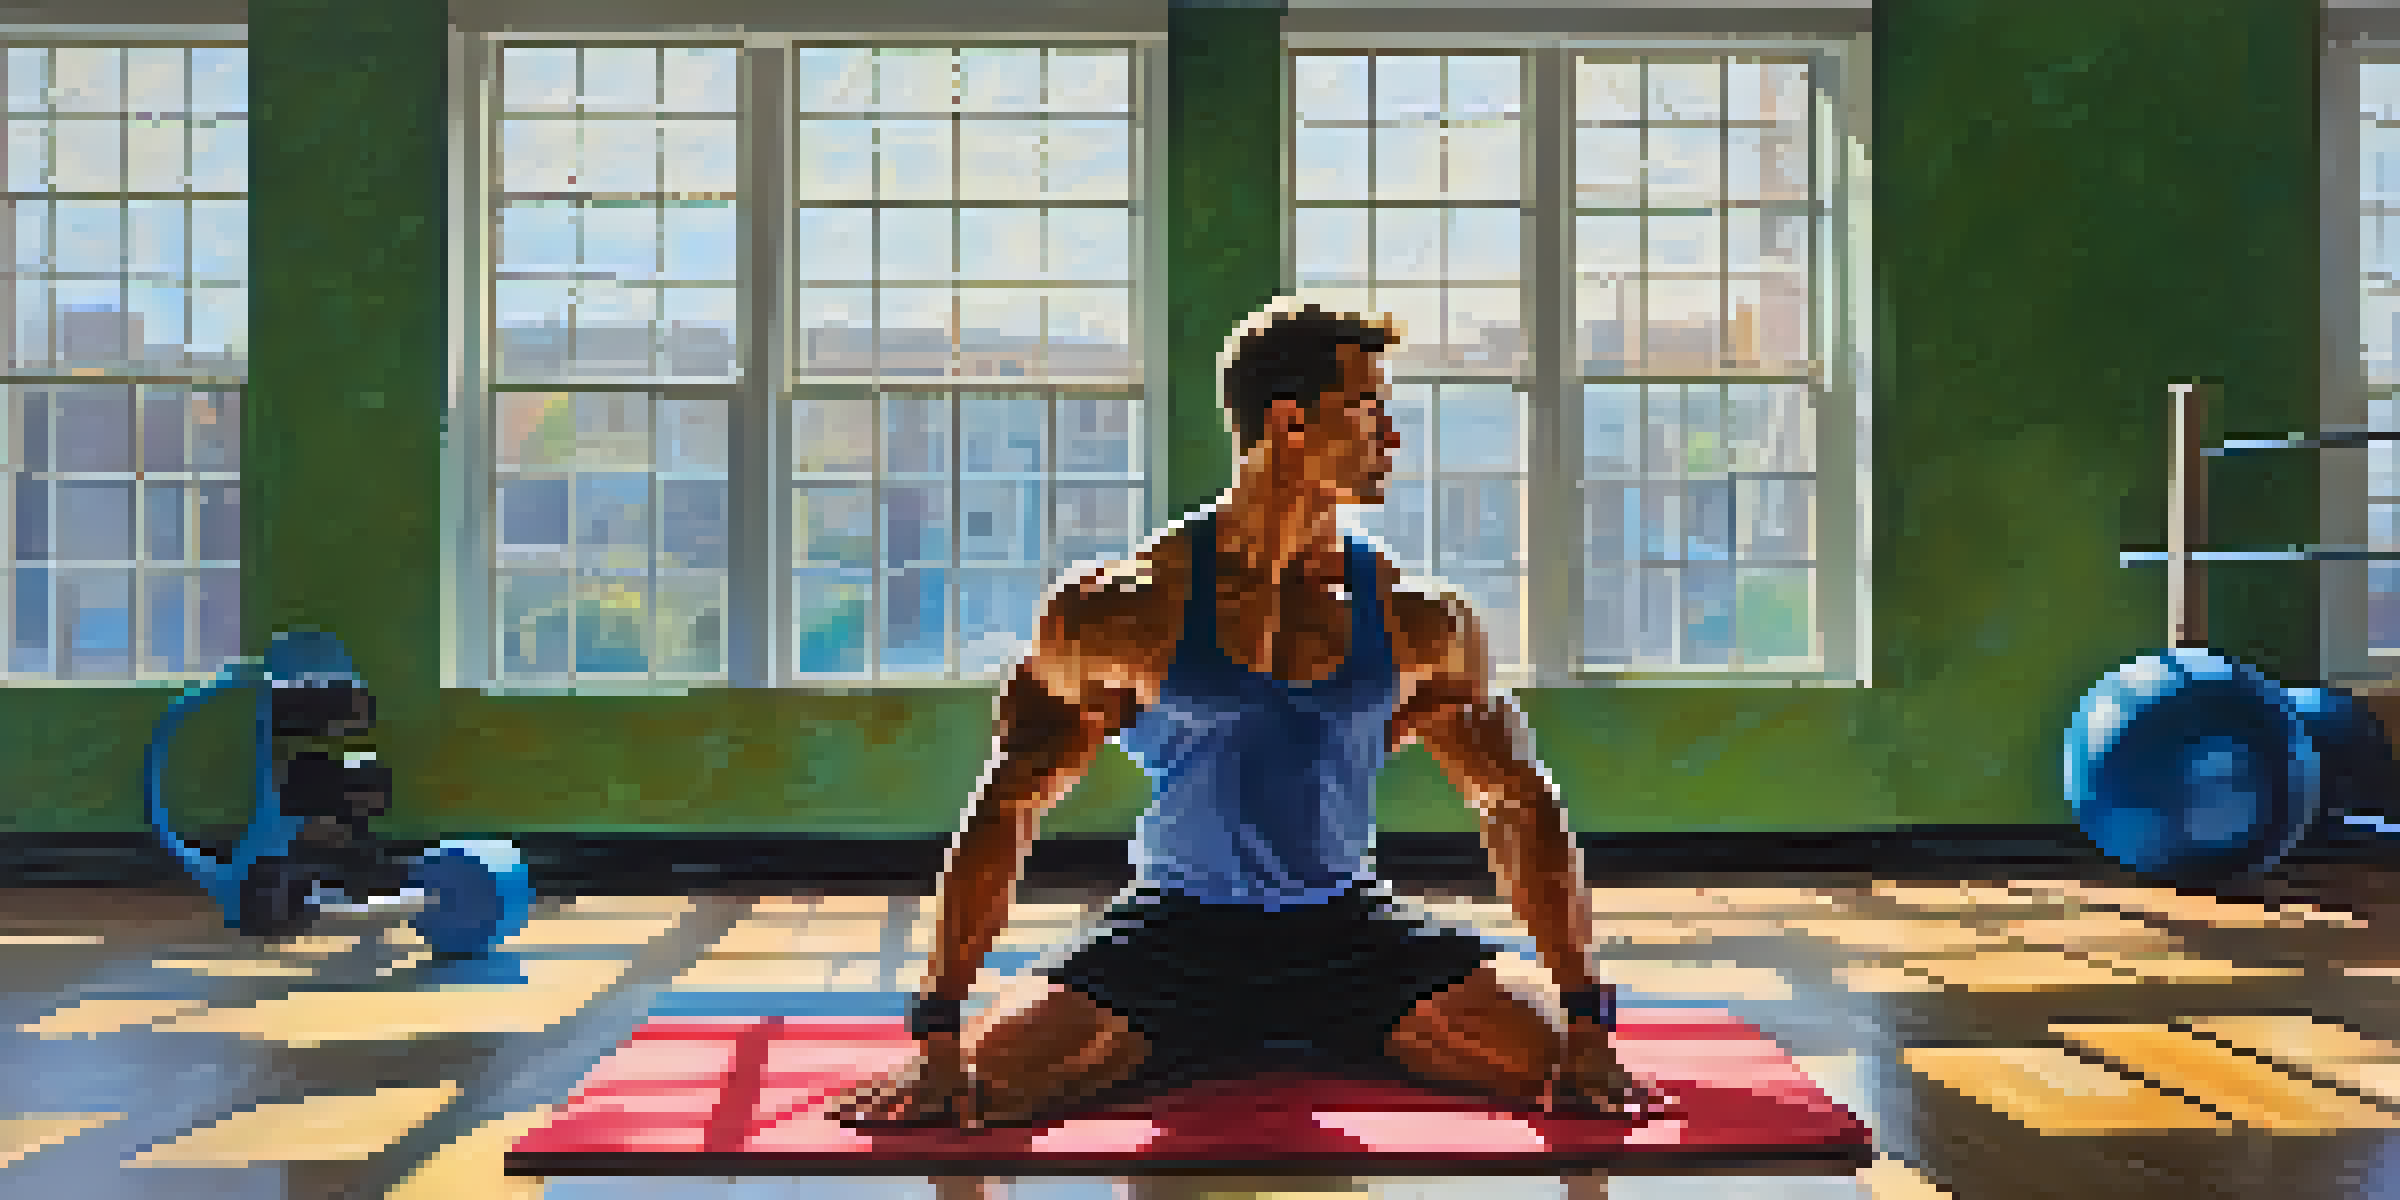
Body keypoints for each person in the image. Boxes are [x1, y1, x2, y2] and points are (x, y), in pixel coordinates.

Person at [830, 300, 1647, 1129]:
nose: (1393, 437)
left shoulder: (1419, 616)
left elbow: (1516, 802)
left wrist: (1585, 1012)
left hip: (1349, 930)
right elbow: (1009, 803)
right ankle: (1253, 1034)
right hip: (1172, 934)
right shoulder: (1126, 606)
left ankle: (1265, 1035)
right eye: (1368, 409)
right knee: (974, 1093)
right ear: (1291, 422)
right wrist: (938, 1027)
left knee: (1565, 1076)